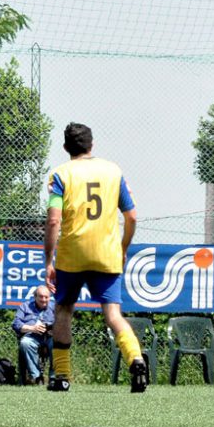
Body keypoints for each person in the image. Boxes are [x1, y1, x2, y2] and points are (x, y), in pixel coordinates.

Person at [43, 122, 148, 393]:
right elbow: (132, 216)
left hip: (72, 253)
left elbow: (54, 221)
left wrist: (48, 261)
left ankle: (62, 376)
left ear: (66, 148)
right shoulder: (113, 171)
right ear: (92, 145)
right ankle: (135, 358)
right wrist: (123, 247)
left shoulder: (60, 175)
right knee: (113, 314)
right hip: (107, 253)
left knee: (64, 309)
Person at [12, 284, 56, 385]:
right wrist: (32, 328)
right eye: (41, 297)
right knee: (25, 343)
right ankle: (36, 377)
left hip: (50, 337)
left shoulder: (55, 307)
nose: (44, 300)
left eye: (46, 297)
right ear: (35, 296)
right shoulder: (25, 306)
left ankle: (53, 378)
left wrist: (50, 327)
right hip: (32, 336)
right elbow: (16, 324)